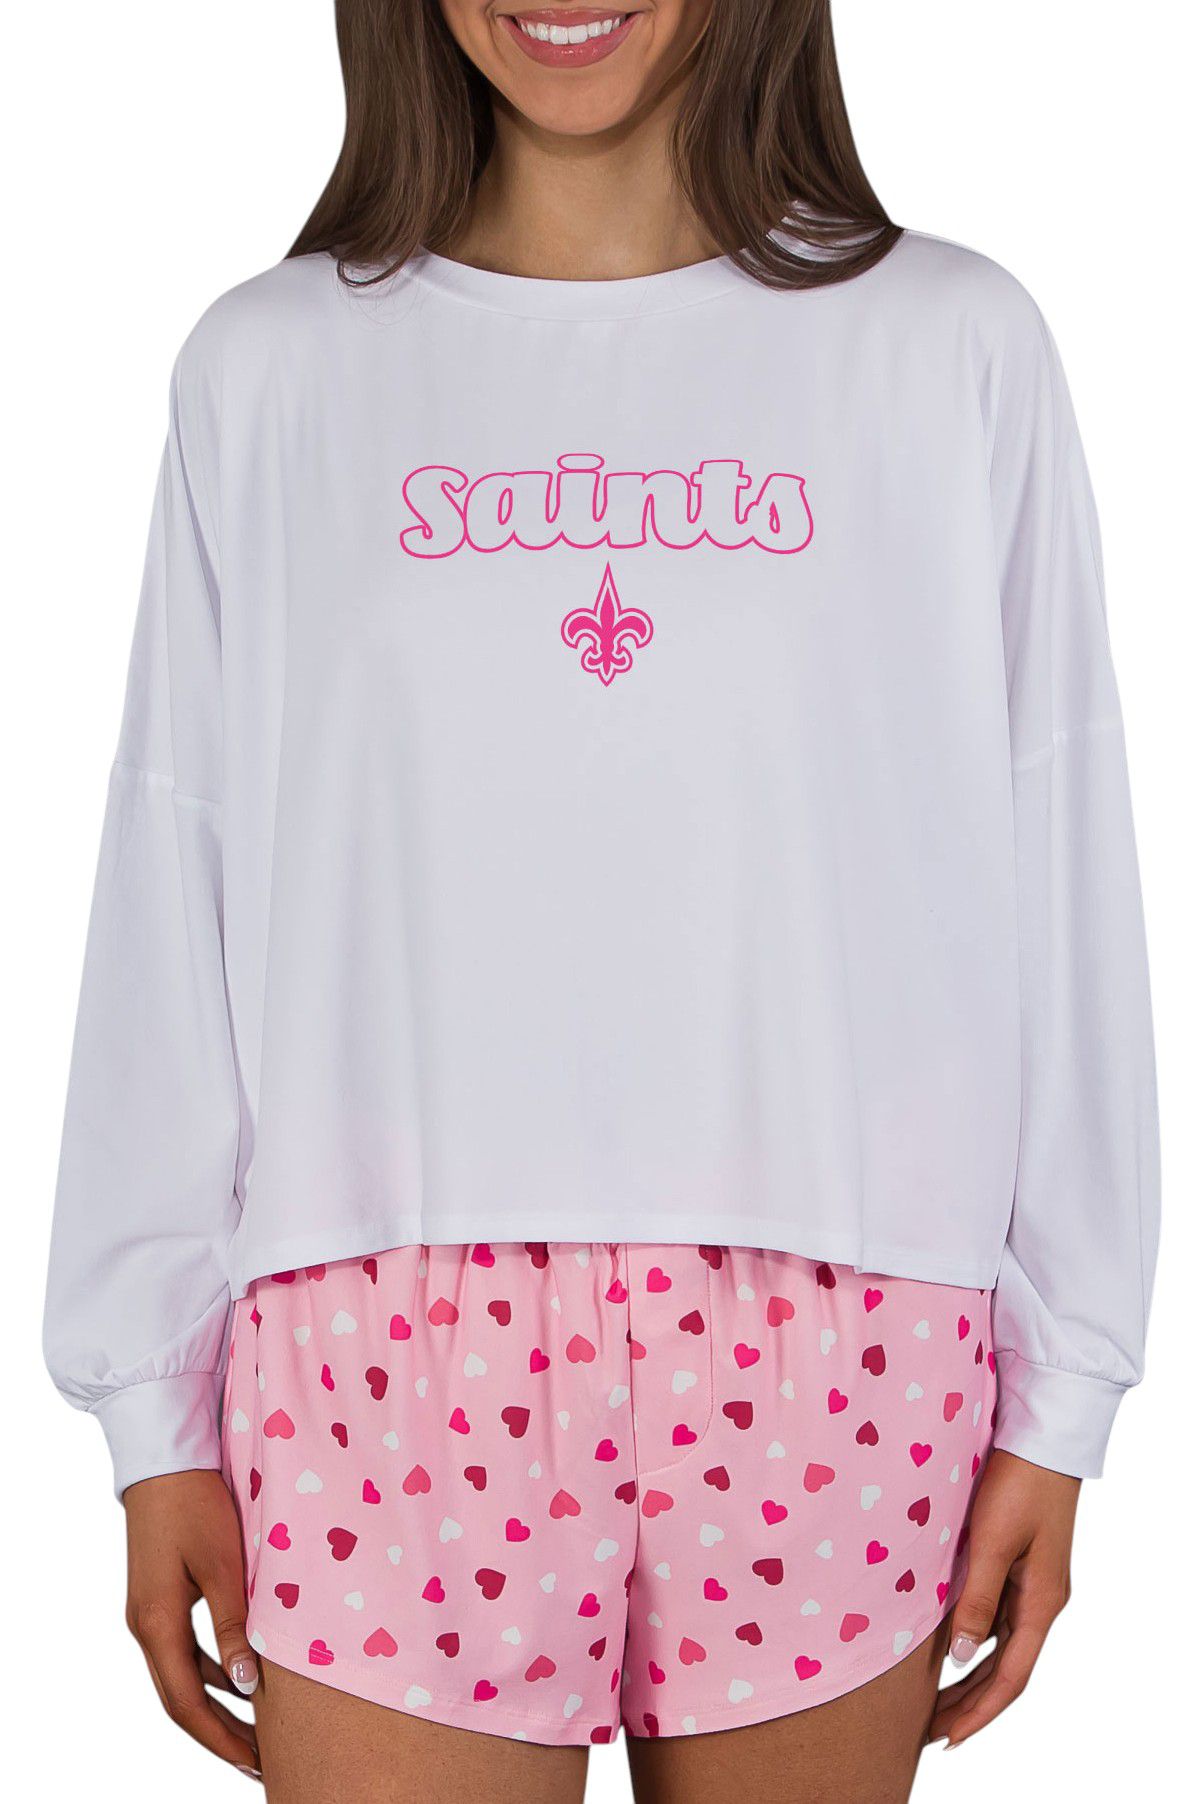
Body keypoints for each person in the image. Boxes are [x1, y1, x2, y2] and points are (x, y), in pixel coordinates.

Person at [43, 3, 1159, 1799]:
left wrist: (1069, 1375)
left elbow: (1055, 835)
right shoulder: (272, 369)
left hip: (841, 1316)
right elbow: (177, 859)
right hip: (378, 1330)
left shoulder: (946, 345)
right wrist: (147, 1403)